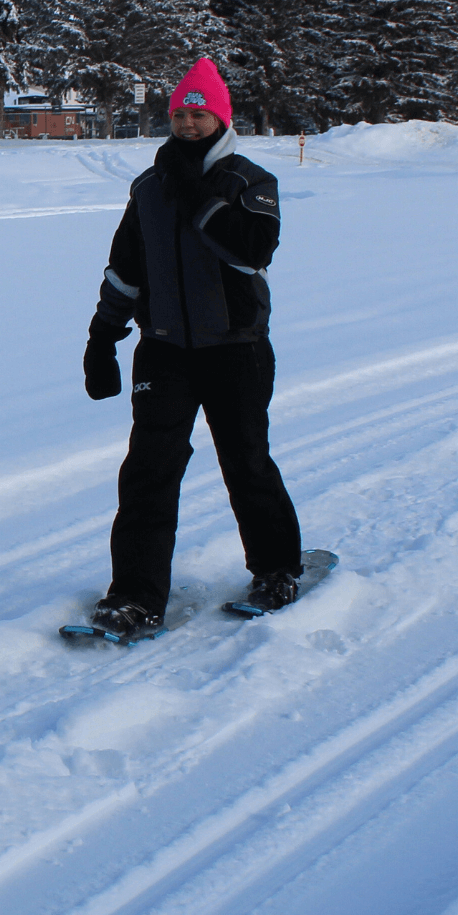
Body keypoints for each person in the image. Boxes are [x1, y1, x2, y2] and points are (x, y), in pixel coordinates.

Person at [81, 58, 302, 635]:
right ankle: (135, 596)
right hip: (164, 350)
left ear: (221, 119)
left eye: (199, 114)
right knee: (148, 472)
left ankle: (277, 569)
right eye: (180, 113)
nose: (187, 123)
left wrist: (200, 198)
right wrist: (102, 337)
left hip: (237, 349)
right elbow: (126, 270)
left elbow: (253, 251)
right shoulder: (148, 188)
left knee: (246, 462)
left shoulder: (250, 182)